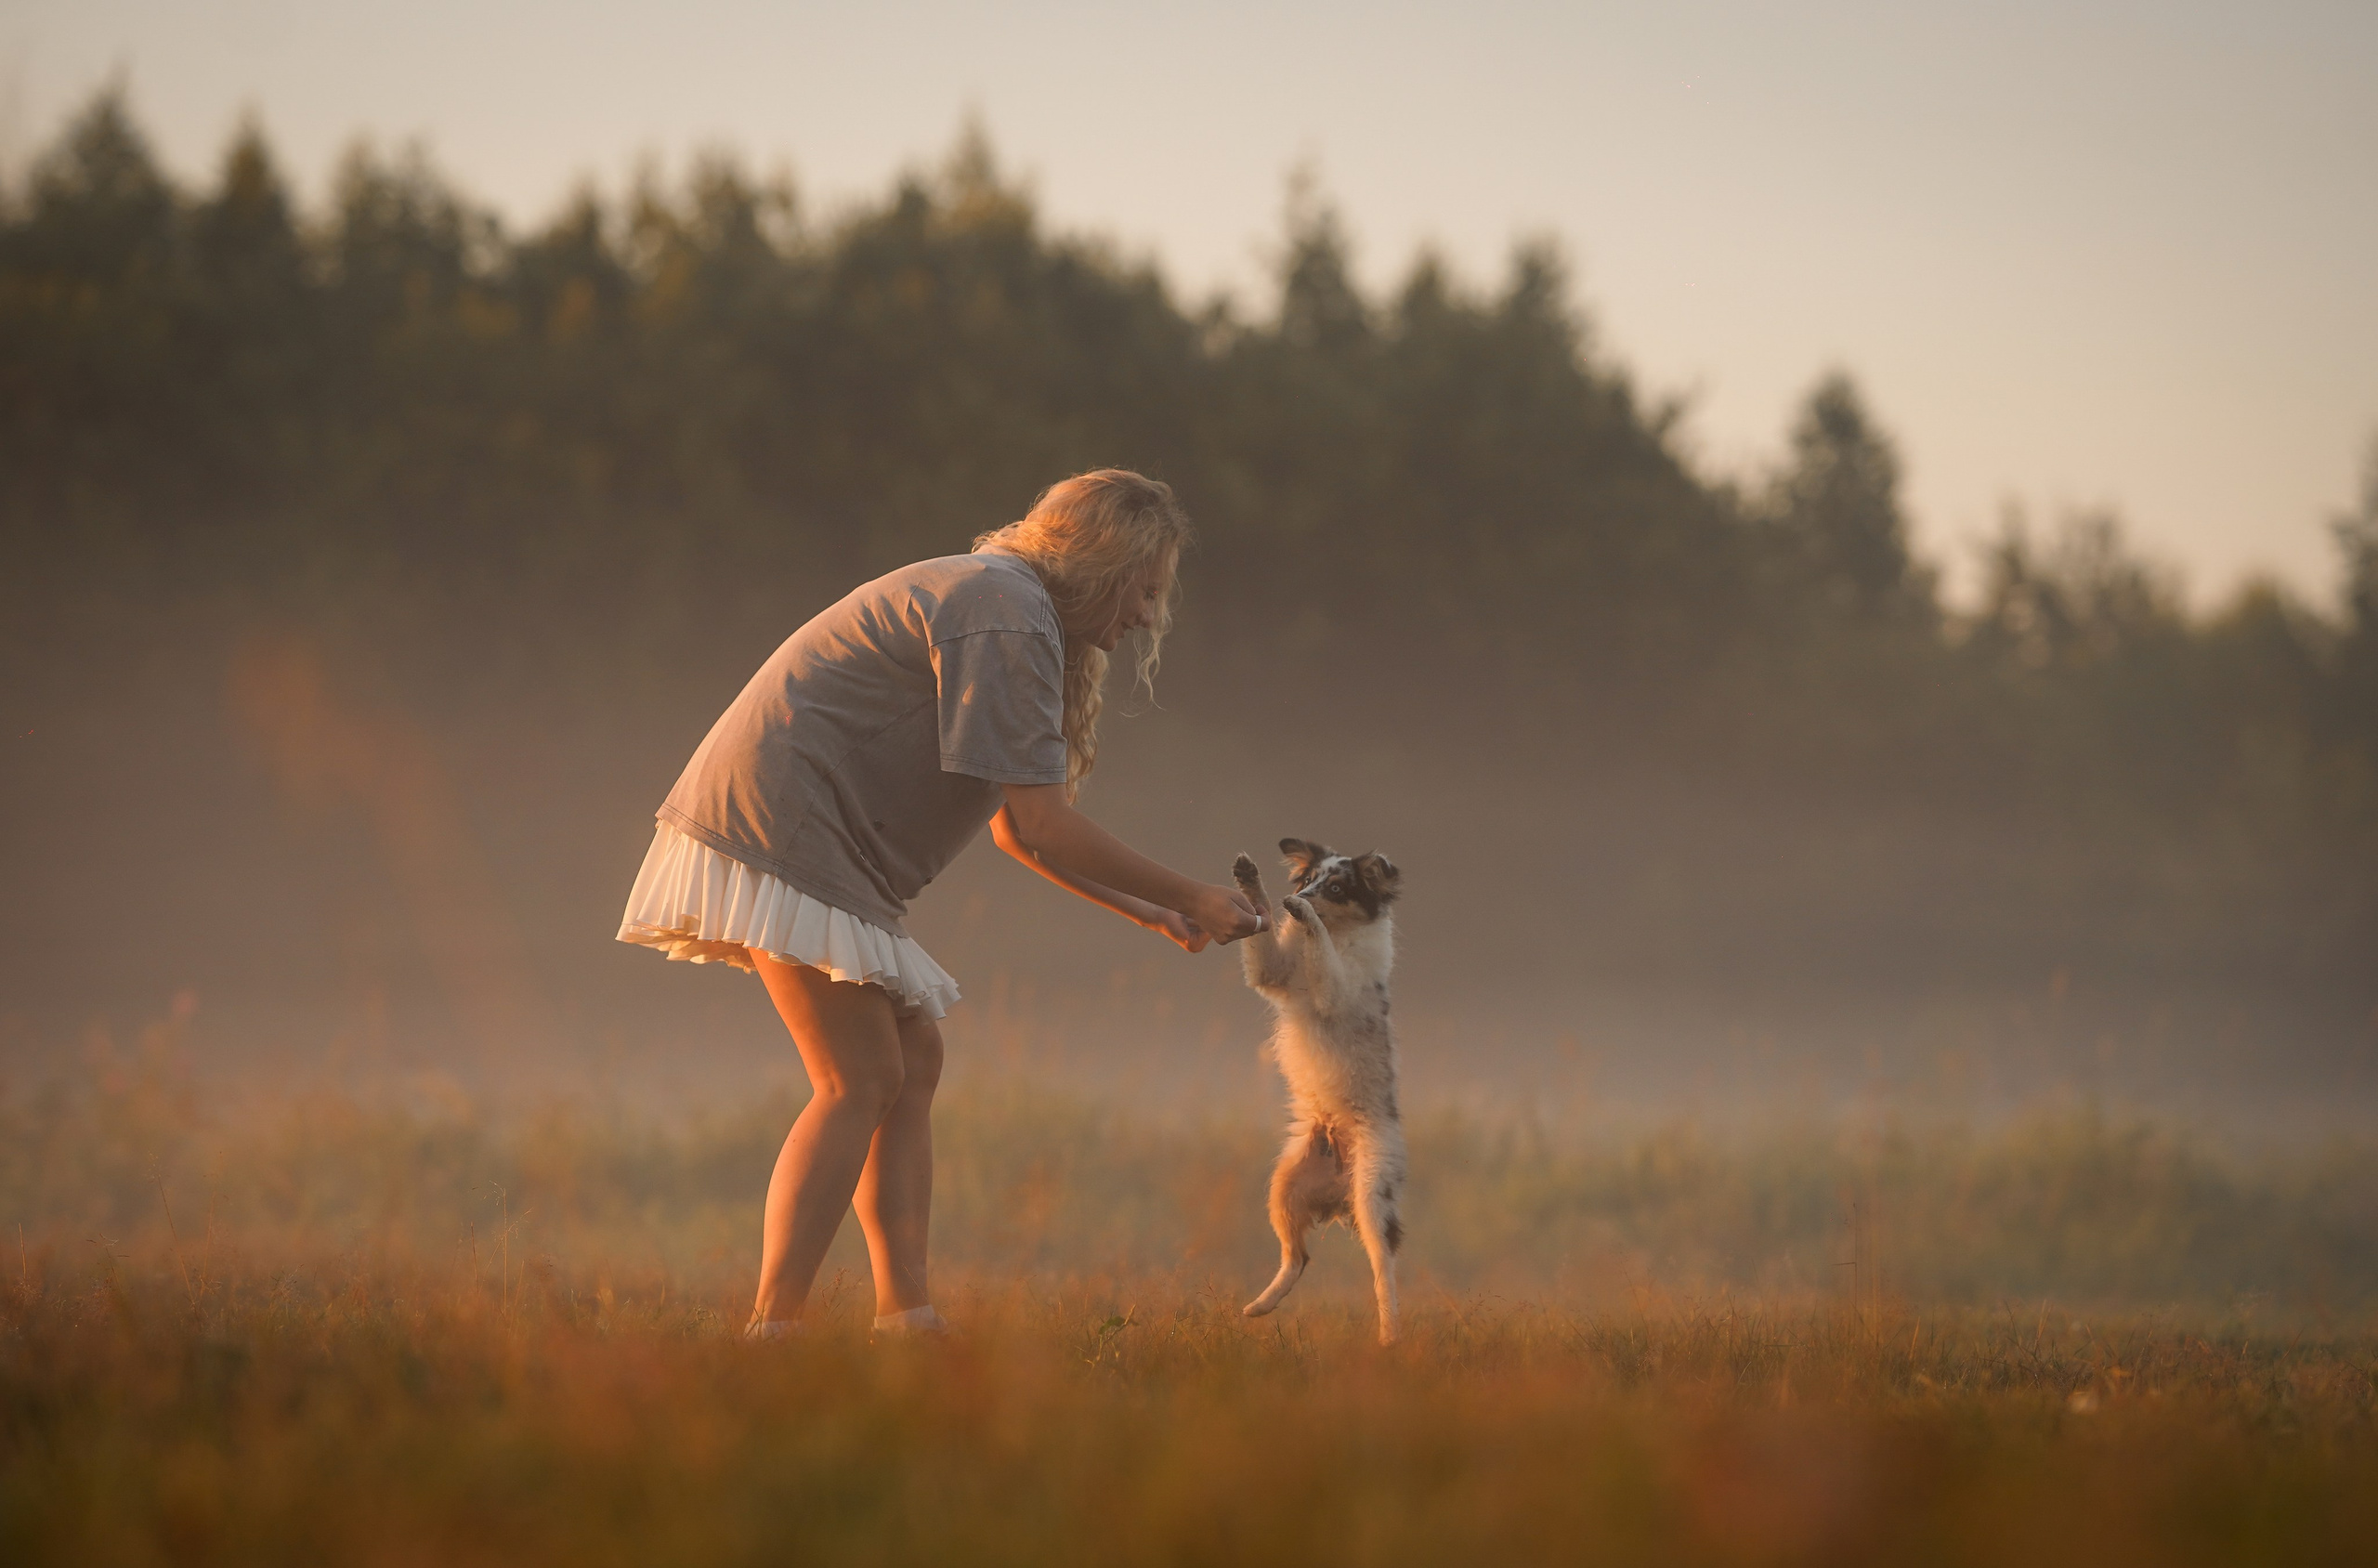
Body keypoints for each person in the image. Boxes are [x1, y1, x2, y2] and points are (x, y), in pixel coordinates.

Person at [616, 469, 1265, 1338]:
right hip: (783, 828)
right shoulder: (1005, 611)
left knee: (910, 1063)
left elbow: (1014, 831)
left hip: (811, 836)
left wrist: (1150, 912)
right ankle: (772, 1335)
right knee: (860, 1078)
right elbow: (1042, 822)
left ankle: (906, 1321)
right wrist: (1190, 892)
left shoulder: (1012, 608)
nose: (1149, 615)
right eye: (1143, 590)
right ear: (1097, 565)